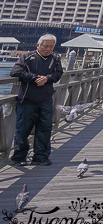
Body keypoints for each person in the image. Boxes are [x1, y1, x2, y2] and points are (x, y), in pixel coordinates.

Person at [8, 34, 64, 166]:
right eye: (45, 46)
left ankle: (41, 156)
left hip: (46, 99)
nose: (48, 49)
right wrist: (34, 77)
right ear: (38, 45)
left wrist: (47, 78)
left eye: (51, 46)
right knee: (23, 130)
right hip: (27, 99)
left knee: (45, 128)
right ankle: (19, 157)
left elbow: (58, 74)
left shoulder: (55, 58)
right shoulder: (27, 57)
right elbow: (15, 72)